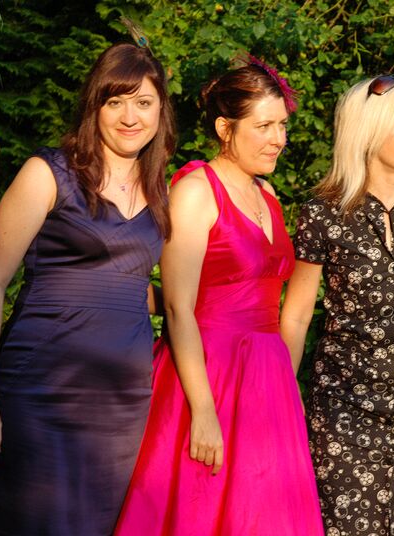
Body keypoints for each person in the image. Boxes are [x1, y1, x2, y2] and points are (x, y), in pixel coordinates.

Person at [0, 41, 176, 535]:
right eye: (115, 102)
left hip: (122, 402)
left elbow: (128, 286)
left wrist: (215, 307)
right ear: (94, 106)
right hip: (39, 391)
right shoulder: (49, 174)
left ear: (161, 110)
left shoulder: (163, 191)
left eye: (143, 102)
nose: (130, 117)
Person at [114, 57, 324, 535]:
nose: (278, 139)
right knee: (201, 505)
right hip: (209, 372)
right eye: (264, 126)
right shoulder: (195, 192)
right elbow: (177, 307)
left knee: (262, 511)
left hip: (267, 376)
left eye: (282, 125)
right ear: (225, 128)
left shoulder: (268, 194)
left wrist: (282, 386)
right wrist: (204, 411)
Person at [280, 75, 394, 536]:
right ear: (372, 130)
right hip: (343, 403)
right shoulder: (323, 211)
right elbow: (297, 314)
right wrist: (283, 394)